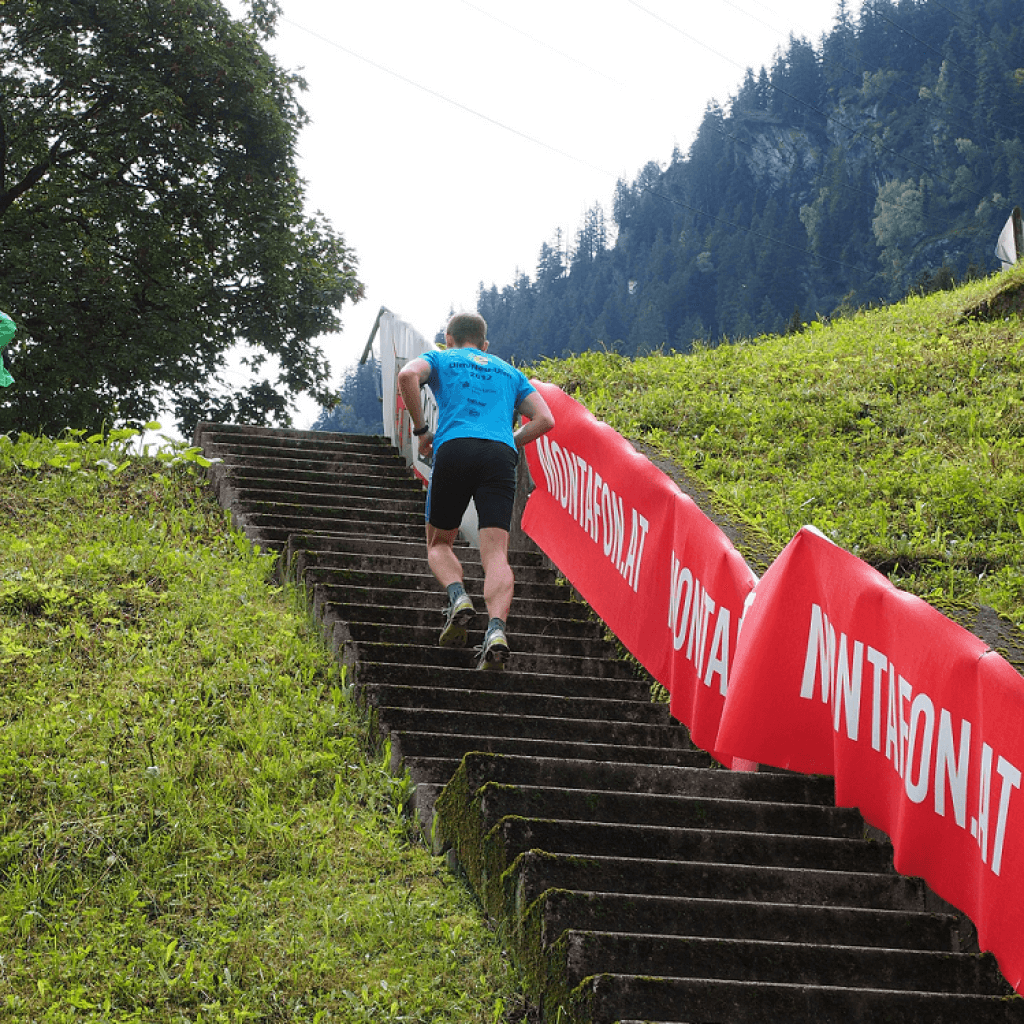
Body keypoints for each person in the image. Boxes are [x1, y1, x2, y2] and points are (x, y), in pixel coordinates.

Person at [397, 312, 555, 669]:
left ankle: (458, 597)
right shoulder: (509, 372)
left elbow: (407, 375)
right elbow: (546, 419)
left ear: (448, 338)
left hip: (454, 448)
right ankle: (496, 630)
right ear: (485, 345)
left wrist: (422, 432)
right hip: (499, 457)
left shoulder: (440, 357)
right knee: (496, 553)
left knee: (439, 543)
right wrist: (509, 441)